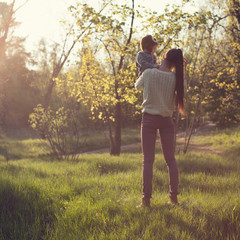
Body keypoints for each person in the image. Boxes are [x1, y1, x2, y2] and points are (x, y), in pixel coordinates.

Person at [135, 48, 185, 207]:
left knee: (148, 161)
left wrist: (152, 67)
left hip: (149, 119)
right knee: (171, 160)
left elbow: (137, 86)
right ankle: (174, 199)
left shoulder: (149, 73)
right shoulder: (177, 78)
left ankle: (146, 200)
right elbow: (184, 90)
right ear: (177, 64)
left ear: (163, 56)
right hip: (167, 121)